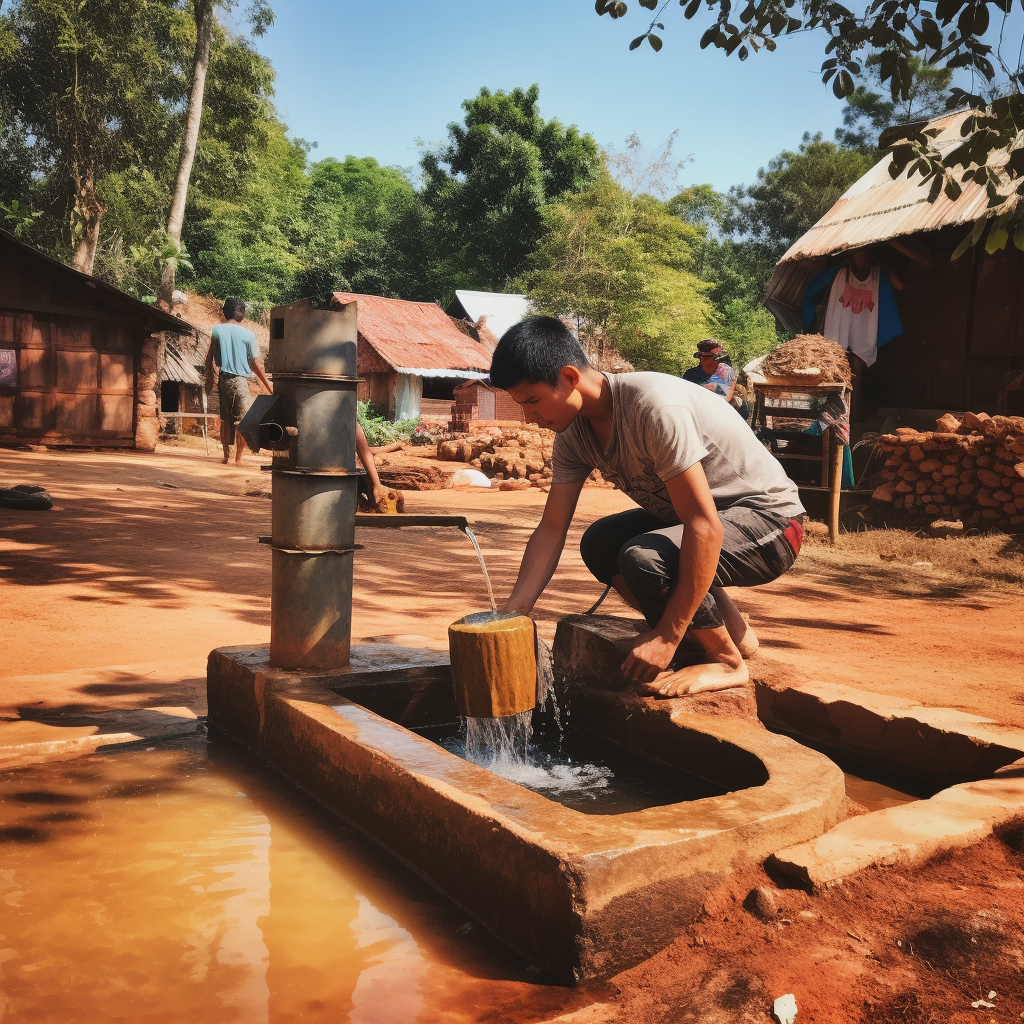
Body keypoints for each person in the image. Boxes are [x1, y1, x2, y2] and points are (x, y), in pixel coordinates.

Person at [490, 317, 805, 697]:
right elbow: (552, 529)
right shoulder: (573, 433)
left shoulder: (654, 408)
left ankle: (725, 661)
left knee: (645, 557)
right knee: (600, 543)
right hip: (703, 526)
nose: (529, 417)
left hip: (771, 522)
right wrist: (513, 614)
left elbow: (704, 527)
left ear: (570, 377)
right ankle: (727, 633)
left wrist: (666, 636)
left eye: (533, 401)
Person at [802, 247, 903, 420]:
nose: (859, 257)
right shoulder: (840, 272)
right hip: (841, 328)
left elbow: (899, 286)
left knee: (858, 370)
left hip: (864, 330)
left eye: (863, 254)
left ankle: (855, 413)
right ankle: (837, 415)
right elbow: (813, 290)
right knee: (838, 371)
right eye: (857, 254)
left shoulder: (877, 274)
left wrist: (884, 267)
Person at [204, 298, 273, 464]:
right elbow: (254, 363)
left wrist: (209, 378)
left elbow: (209, 359)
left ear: (226, 312)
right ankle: (238, 458)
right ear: (241, 313)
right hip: (240, 381)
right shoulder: (248, 335)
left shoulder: (217, 331)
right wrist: (267, 384)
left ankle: (226, 456)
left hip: (223, 380)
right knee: (242, 421)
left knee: (226, 420)